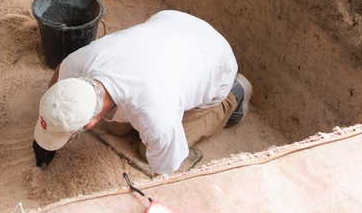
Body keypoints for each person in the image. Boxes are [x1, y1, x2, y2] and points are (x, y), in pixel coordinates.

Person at [32, 10, 251, 176]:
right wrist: (49, 130)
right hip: (174, 24)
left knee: (147, 152)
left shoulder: (157, 115)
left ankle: (235, 94)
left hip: (217, 62)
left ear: (90, 123)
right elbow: (59, 78)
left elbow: (165, 172)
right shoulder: (79, 61)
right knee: (117, 128)